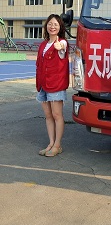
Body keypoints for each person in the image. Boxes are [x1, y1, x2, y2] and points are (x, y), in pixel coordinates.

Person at [36, 14, 69, 157]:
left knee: (57, 115)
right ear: (46, 26)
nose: (52, 26)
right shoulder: (43, 44)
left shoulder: (62, 43)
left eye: (55, 24)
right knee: (48, 116)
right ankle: (50, 143)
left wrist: (59, 45)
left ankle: (57, 145)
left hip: (56, 85)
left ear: (60, 27)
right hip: (43, 85)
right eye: (50, 24)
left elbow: (63, 47)